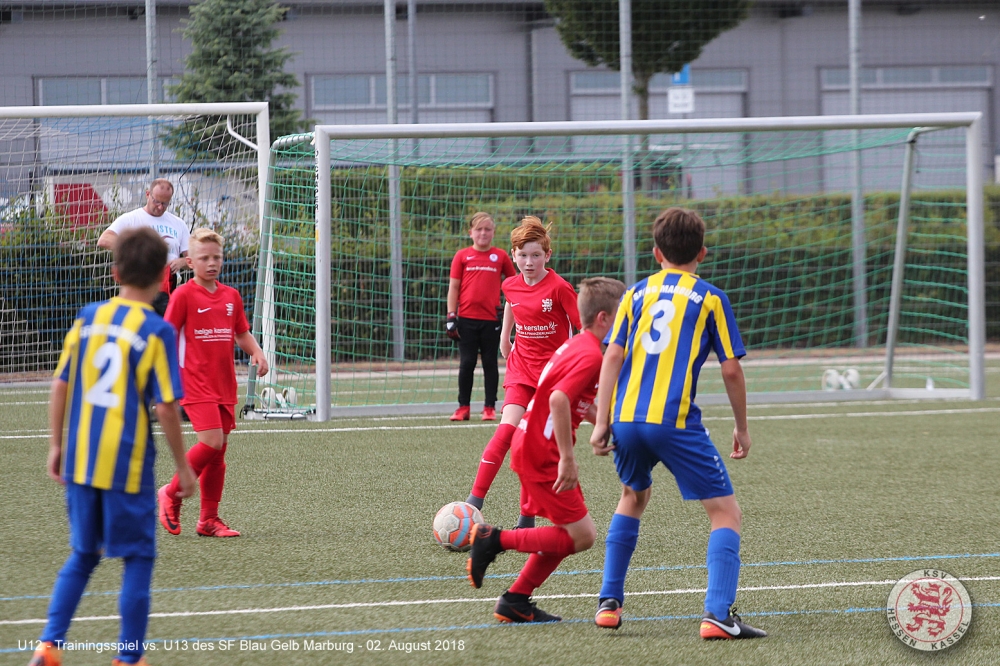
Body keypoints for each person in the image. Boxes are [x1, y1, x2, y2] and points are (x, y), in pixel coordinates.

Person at [589, 207, 766, 639]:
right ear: (702, 253)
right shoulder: (710, 298)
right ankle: (718, 614)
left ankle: (609, 602)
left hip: (626, 418)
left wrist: (601, 420)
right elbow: (730, 369)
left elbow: (612, 356)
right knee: (725, 511)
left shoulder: (634, 294)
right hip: (673, 420)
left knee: (632, 495)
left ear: (656, 253)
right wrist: (742, 427)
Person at [30, 227, 197, 666]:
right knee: (138, 558)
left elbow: (60, 384)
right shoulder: (157, 330)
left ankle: (49, 646)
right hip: (127, 464)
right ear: (163, 277)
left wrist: (55, 445)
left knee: (84, 555)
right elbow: (166, 406)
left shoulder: (88, 317)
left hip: (81, 459)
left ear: (114, 272)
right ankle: (129, 657)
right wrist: (183, 468)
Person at [466, 277, 626, 624]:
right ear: (603, 318)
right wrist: (568, 458)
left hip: (533, 445)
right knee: (582, 536)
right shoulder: (590, 355)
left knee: (568, 532)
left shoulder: (576, 345)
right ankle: (494, 539)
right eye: (623, 315)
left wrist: (606, 426)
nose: (627, 322)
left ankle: (515, 600)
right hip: (543, 453)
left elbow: (578, 402)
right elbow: (558, 399)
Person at [466, 216, 581, 529]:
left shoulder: (560, 288)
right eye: (522, 255)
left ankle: (526, 517)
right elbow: (511, 303)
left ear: (547, 255)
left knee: (530, 446)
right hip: (521, 368)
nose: (529, 262)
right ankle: (473, 503)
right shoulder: (510, 284)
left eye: (536, 255)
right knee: (505, 432)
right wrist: (506, 337)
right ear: (513, 255)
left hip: (552, 377)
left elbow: (582, 327)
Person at [158, 228, 268, 538]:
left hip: (223, 383)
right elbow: (167, 335)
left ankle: (208, 519)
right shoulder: (183, 295)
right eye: (204, 258)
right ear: (190, 262)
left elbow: (241, 332)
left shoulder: (231, 296)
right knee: (211, 442)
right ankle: (171, 492)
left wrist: (257, 352)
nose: (211, 263)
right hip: (194, 381)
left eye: (216, 257)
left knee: (218, 454)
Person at [446, 212, 516, 422]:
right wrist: (451, 315)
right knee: (467, 363)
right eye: (479, 229)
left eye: (487, 229)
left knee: (490, 363)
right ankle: (463, 407)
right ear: (471, 233)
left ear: (493, 232)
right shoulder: (462, 256)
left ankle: (489, 407)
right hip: (466, 319)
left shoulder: (500, 256)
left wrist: (508, 306)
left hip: (491, 320)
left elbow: (514, 284)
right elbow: (454, 287)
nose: (483, 233)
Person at [97, 179, 189, 316]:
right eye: (157, 201)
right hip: (139, 284)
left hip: (168, 289)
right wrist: (137, 251)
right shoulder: (131, 218)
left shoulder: (179, 224)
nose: (160, 207)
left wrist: (183, 261)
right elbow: (104, 240)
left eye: (165, 203)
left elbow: (193, 259)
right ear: (148, 194)